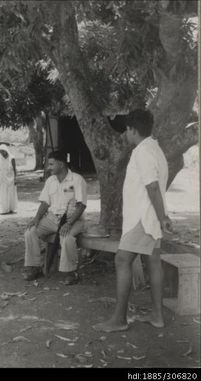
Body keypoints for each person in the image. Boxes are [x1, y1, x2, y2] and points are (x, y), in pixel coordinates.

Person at [94, 109, 172, 333]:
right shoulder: (154, 149)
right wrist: (161, 216)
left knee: (122, 260)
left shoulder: (142, 152)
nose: (125, 135)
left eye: (126, 130)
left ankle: (119, 319)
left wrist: (162, 217)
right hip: (150, 216)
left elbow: (152, 186)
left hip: (143, 217)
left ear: (132, 129)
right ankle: (157, 316)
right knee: (153, 261)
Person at [23, 150, 87, 285]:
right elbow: (45, 202)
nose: (48, 167)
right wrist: (37, 219)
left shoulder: (77, 179)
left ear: (62, 164)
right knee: (30, 232)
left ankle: (71, 273)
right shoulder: (50, 181)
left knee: (66, 237)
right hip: (52, 218)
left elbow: (81, 206)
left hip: (73, 220)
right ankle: (35, 268)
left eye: (51, 164)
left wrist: (69, 223)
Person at [0, 144, 18, 214]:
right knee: (1, 193)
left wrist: (15, 179)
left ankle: (10, 208)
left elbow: (15, 169)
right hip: (1, 177)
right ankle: (3, 208)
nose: (2, 153)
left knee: (10, 193)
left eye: (3, 151)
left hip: (10, 177)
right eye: (1, 152)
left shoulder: (12, 158)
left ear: (6, 150)